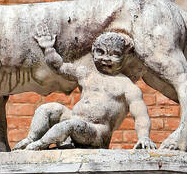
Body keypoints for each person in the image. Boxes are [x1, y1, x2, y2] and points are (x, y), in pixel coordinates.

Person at [13, 32, 153, 151]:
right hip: (73, 121)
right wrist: (48, 48)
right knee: (47, 108)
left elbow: (140, 114)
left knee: (71, 125)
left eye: (114, 54)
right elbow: (60, 67)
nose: (106, 58)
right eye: (100, 52)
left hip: (97, 133)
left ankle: (39, 145)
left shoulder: (127, 86)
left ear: (124, 57)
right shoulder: (87, 74)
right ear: (93, 52)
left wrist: (144, 137)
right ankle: (31, 138)